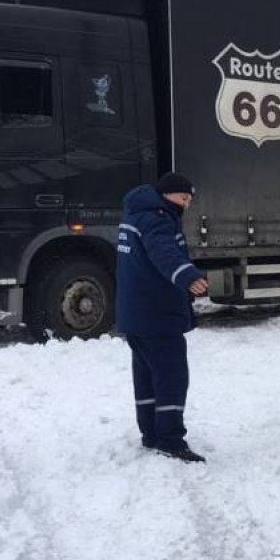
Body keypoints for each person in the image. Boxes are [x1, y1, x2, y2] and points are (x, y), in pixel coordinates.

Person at [116, 172, 209, 462]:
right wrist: (188, 275)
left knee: (146, 375)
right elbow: (163, 252)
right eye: (183, 198)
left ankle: (151, 433)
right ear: (167, 194)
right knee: (171, 376)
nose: (186, 205)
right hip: (157, 313)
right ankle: (170, 440)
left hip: (137, 313)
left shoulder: (136, 214)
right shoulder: (157, 218)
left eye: (189, 200)